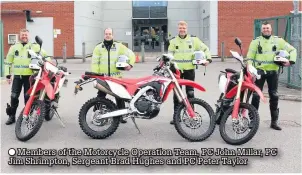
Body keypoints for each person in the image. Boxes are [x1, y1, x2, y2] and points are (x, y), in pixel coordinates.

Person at [246, 21, 297, 130]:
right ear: (261, 30)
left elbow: (293, 50)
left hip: (273, 72)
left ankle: (274, 122)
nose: (266, 30)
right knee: (255, 96)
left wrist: (290, 61)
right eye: (264, 28)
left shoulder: (278, 41)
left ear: (271, 29)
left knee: (274, 96)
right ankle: (253, 121)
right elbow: (249, 57)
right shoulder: (256, 42)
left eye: (267, 28)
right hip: (259, 72)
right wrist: (250, 68)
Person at [168, 21, 212, 125]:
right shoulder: (173, 41)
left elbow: (205, 49)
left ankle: (191, 116)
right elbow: (169, 55)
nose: (182, 30)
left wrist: (208, 59)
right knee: (177, 95)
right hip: (177, 71)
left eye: (183, 28)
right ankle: (176, 117)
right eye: (180, 28)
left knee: (190, 93)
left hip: (189, 71)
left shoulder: (193, 40)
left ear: (186, 29)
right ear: (178, 29)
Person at [91, 28, 135, 124]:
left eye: (110, 34)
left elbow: (131, 54)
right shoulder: (98, 47)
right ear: (104, 35)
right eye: (106, 33)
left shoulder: (119, 46)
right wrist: (95, 75)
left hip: (116, 78)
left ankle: (121, 116)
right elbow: (95, 63)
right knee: (101, 96)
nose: (108, 35)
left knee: (119, 97)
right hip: (103, 77)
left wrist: (130, 64)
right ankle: (96, 115)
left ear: (113, 35)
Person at [4, 28, 47, 125]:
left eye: (26, 35)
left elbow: (45, 55)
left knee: (28, 97)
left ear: (29, 36)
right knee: (14, 96)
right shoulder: (14, 47)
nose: (24, 36)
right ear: (20, 36)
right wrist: (8, 74)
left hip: (29, 77)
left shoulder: (34, 47)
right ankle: (12, 117)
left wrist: (49, 61)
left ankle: (27, 116)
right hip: (17, 77)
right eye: (22, 35)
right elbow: (8, 62)